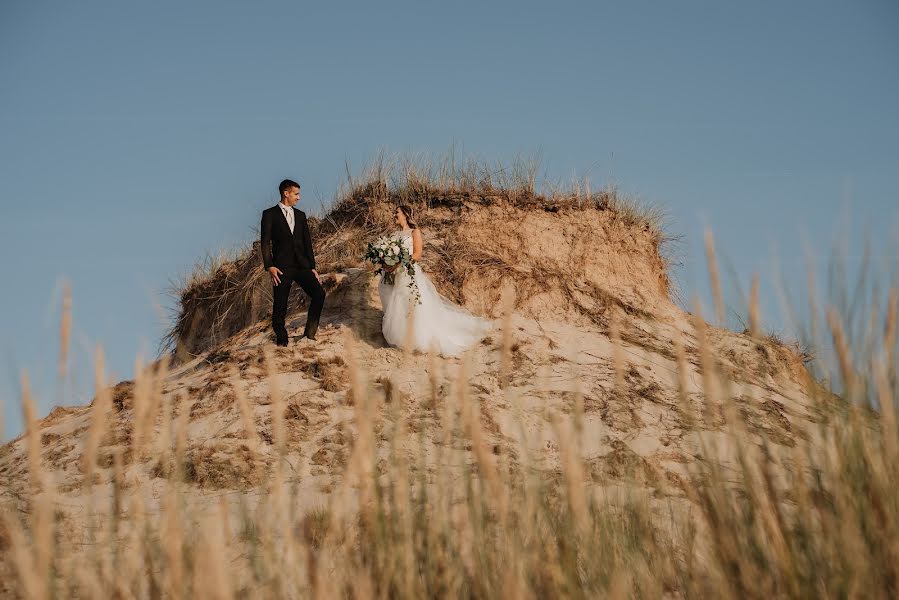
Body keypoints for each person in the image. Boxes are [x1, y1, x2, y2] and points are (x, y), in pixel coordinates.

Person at [377, 205, 491, 356]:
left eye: (397, 212)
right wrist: (387, 263)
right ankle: (402, 339)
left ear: (405, 214)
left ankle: (416, 339)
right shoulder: (393, 234)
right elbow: (387, 253)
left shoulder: (414, 232)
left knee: (410, 305)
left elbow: (417, 254)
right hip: (393, 274)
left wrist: (400, 262)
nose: (394, 215)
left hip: (408, 273)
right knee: (396, 304)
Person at [260, 179, 325, 346]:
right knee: (280, 305)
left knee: (319, 294)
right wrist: (270, 266)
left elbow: (307, 243)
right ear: (286, 193)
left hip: (302, 265)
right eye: (296, 194)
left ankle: (309, 334)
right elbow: (265, 242)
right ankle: (282, 341)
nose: (299, 197)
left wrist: (312, 267)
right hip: (281, 267)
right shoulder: (269, 214)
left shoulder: (301, 215)